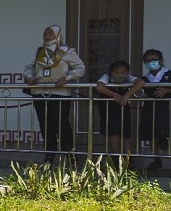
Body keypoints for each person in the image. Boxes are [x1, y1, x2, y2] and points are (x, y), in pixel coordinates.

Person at [22, 25, 84, 164]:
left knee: (61, 124)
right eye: (45, 33)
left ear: (57, 35)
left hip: (59, 93)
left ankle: (69, 153)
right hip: (40, 93)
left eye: (50, 33)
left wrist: (67, 78)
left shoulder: (67, 51)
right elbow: (28, 68)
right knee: (45, 124)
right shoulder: (39, 52)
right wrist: (29, 77)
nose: (47, 36)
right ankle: (49, 153)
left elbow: (80, 68)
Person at [94, 60, 144, 158]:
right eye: (116, 73)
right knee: (113, 132)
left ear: (127, 72)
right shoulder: (106, 77)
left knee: (126, 134)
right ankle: (116, 158)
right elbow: (100, 87)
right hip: (108, 109)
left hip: (123, 107)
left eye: (123, 72)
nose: (120, 75)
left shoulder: (128, 77)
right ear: (111, 72)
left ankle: (129, 160)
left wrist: (126, 96)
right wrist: (114, 95)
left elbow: (140, 82)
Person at [139, 48, 171, 171]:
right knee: (150, 133)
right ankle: (156, 160)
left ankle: (163, 138)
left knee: (162, 128)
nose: (150, 62)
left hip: (164, 108)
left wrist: (167, 90)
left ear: (161, 60)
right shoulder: (144, 78)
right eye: (147, 61)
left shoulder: (169, 74)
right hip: (149, 108)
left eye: (153, 60)